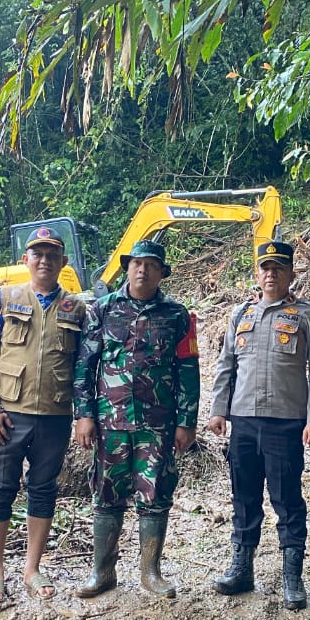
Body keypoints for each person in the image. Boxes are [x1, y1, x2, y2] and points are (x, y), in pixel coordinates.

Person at [72, 240, 200, 599]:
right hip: (109, 423)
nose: (143, 270)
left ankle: (150, 573)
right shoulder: (102, 309)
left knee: (155, 494)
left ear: (161, 273)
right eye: (136, 264)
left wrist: (187, 421)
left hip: (156, 424)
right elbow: (85, 365)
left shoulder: (177, 315)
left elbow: (188, 369)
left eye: (151, 265)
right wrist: (84, 415)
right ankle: (102, 573)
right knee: (106, 494)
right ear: (127, 268)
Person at [207, 241, 310, 610]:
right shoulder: (241, 314)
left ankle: (293, 576)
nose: (271, 274)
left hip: (285, 422)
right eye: (265, 268)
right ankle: (241, 568)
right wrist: (218, 410)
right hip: (244, 421)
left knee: (287, 500)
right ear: (257, 273)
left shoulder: (308, 316)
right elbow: (226, 365)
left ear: (291, 273)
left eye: (279, 268)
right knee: (244, 497)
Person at [0, 227, 87, 602]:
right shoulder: (4, 298)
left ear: (63, 262)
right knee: (0, 489)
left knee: (43, 490)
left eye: (52, 255)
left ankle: (32, 568)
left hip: (55, 415)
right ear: (26, 260)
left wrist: (82, 414)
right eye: (37, 254)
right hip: (9, 414)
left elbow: (83, 366)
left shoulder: (77, 308)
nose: (44, 261)